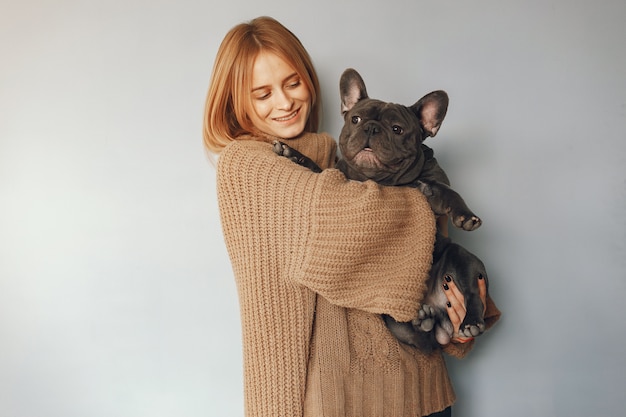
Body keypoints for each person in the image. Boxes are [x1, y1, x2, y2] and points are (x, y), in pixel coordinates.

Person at [203, 16, 500, 417]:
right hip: (347, 402)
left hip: (421, 384)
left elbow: (417, 258)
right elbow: (351, 230)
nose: (285, 102)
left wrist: (456, 305)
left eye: (293, 83)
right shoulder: (248, 164)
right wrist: (429, 197)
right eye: (262, 93)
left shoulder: (335, 157)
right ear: (234, 102)